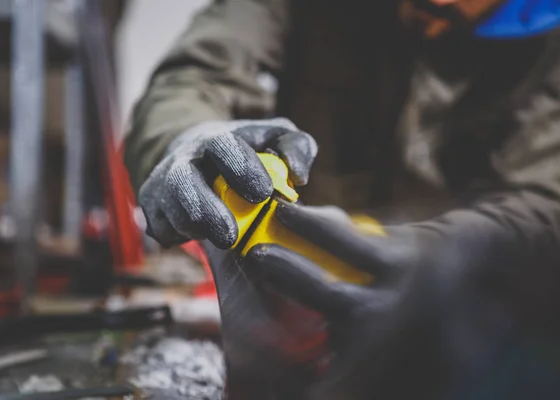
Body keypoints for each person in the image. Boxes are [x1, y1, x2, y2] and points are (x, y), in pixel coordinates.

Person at [124, 0, 560, 398]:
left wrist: (457, 253)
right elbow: (195, 76)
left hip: (471, 351)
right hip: (280, 323)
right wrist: (183, 136)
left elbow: (545, 200)